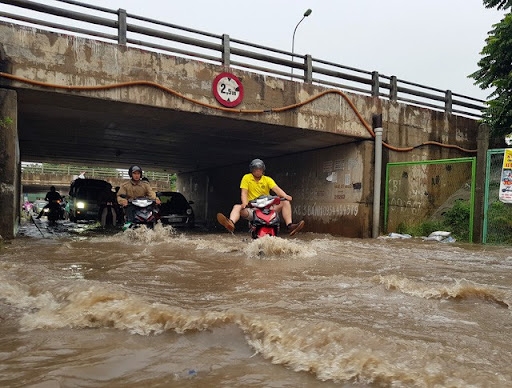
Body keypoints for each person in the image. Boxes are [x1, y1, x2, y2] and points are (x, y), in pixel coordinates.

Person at [217, 158, 305, 236]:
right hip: (253, 209)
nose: (257, 171)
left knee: (285, 202)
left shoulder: (267, 179)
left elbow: (276, 189)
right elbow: (244, 193)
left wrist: (285, 195)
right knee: (237, 207)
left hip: (268, 208)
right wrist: (244, 203)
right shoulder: (246, 178)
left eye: (259, 169)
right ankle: (230, 223)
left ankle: (290, 226)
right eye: (255, 169)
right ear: (252, 170)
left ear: (263, 170)